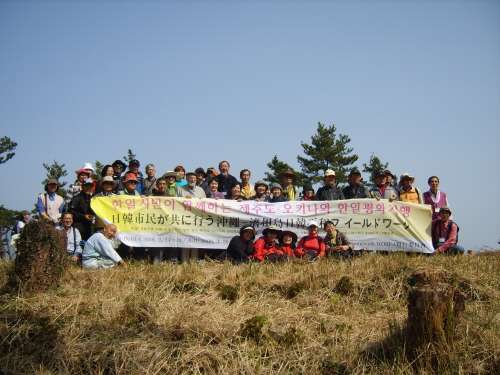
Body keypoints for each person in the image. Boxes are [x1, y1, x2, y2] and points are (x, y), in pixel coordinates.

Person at [176, 172, 206, 263]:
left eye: (193, 178)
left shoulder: (201, 190)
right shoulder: (180, 189)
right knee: (185, 240)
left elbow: (205, 203)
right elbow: (175, 202)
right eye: (189, 178)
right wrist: (184, 199)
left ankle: (193, 261)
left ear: (196, 180)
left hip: (196, 219)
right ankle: (184, 262)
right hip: (184, 218)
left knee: (195, 240)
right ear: (186, 179)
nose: (192, 180)